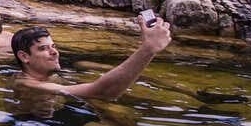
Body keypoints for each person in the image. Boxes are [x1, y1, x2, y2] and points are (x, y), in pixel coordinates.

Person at [11, 14, 172, 100]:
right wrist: (148, 49)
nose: (55, 52)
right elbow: (102, 92)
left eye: (54, 46)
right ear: (24, 57)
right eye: (44, 49)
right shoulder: (28, 85)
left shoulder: (47, 76)